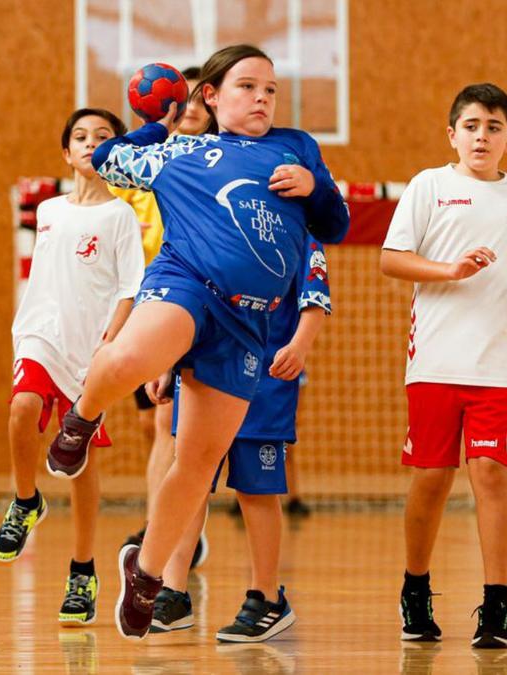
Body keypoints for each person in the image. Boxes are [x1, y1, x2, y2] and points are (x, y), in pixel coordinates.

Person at [41, 44, 349, 641]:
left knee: (198, 463)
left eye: (270, 89)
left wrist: (313, 186)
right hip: (186, 285)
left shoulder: (295, 148)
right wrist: (158, 121)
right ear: (210, 96)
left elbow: (333, 225)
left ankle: (149, 575)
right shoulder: (176, 150)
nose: (262, 98)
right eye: (247, 87)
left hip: (249, 325)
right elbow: (107, 159)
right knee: (129, 357)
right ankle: (79, 421)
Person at [380, 83, 507, 649]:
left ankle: (496, 605)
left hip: (499, 364)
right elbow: (391, 259)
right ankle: (416, 589)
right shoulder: (430, 185)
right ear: (452, 134)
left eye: (494, 127)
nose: (482, 136)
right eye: (471, 126)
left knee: (492, 475)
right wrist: (449, 271)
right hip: (436, 360)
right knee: (431, 477)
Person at [0, 108, 145, 627]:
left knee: (79, 467)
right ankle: (25, 500)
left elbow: (129, 286)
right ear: (66, 152)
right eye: (80, 137)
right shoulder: (50, 211)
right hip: (39, 338)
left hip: (89, 355)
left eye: (102, 137)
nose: (89, 144)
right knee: (21, 410)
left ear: (115, 154)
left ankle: (82, 570)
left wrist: (113, 338)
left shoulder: (121, 216)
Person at [147, 235, 330, 640]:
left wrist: (300, 345)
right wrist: (168, 359)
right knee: (190, 477)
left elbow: (315, 299)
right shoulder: (209, 221)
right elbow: (184, 300)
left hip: (265, 375)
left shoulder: (297, 230)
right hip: (202, 370)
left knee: (256, 489)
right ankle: (173, 592)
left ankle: (267, 597)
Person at [114, 66, 213, 567]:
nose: (190, 106)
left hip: (204, 304)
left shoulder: (218, 166)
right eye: (181, 98)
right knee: (158, 424)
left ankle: (174, 527)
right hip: (147, 306)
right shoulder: (141, 168)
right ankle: (168, 523)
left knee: (178, 424)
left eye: (200, 98)